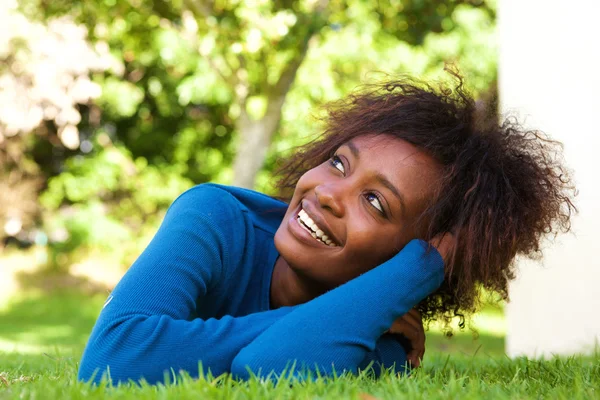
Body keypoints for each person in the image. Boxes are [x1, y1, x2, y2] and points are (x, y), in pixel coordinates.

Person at [78, 74, 575, 385]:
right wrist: (340, 311)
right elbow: (113, 357)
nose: (328, 193)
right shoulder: (213, 217)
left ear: (404, 260)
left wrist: (428, 267)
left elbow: (268, 368)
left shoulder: (382, 325)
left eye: (376, 202)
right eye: (339, 163)